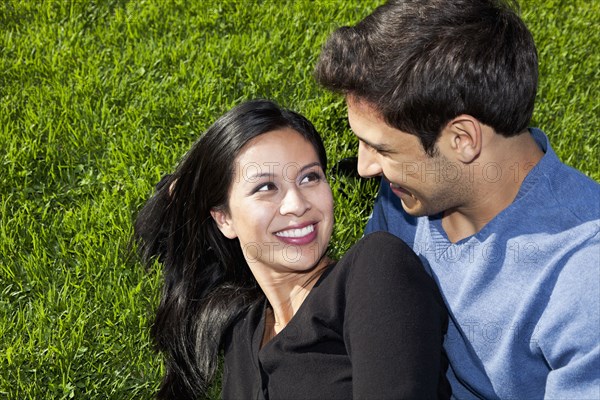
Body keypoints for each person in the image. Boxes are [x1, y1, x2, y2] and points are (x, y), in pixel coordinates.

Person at [314, 0, 600, 398]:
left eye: (383, 149)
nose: (365, 167)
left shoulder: (583, 280)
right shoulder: (409, 194)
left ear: (462, 140)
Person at [134, 99, 450, 399]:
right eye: (265, 187)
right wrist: (189, 184)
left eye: (309, 177)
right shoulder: (242, 335)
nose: (297, 204)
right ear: (224, 219)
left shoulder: (374, 271)